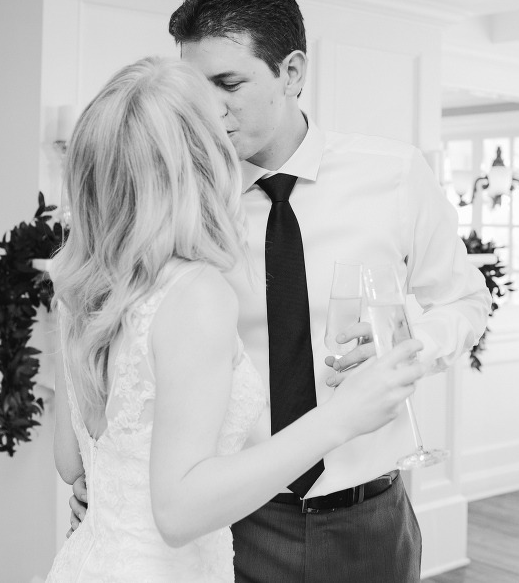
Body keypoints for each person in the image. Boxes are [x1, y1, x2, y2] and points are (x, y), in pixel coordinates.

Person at [69, 0, 490, 582]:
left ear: (292, 73)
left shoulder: (394, 175)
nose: (210, 108)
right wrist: (105, 482)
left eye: (228, 83)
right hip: (231, 520)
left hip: (368, 515)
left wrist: (407, 346)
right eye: (195, 89)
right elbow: (129, 336)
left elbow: (465, 300)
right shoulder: (184, 205)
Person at [45, 56, 427, 583]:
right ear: (202, 162)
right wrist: (342, 416)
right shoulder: (194, 292)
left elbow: (71, 463)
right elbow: (178, 512)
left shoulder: (77, 283)